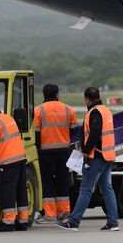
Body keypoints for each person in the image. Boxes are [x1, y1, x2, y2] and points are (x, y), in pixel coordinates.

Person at [57, 87, 119, 232]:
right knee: (107, 189)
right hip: (107, 156)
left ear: (87, 99)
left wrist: (85, 151)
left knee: (85, 189)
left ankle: (73, 222)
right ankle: (113, 222)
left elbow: (95, 133)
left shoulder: (95, 112)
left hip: (96, 157)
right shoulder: (106, 110)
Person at [34, 84, 78, 224]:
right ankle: (64, 212)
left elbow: (36, 133)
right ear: (57, 94)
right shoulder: (67, 108)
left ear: (44, 95)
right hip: (64, 150)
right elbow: (75, 130)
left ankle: (49, 214)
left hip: (46, 152)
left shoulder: (38, 110)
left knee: (47, 181)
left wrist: (39, 147)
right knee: (62, 181)